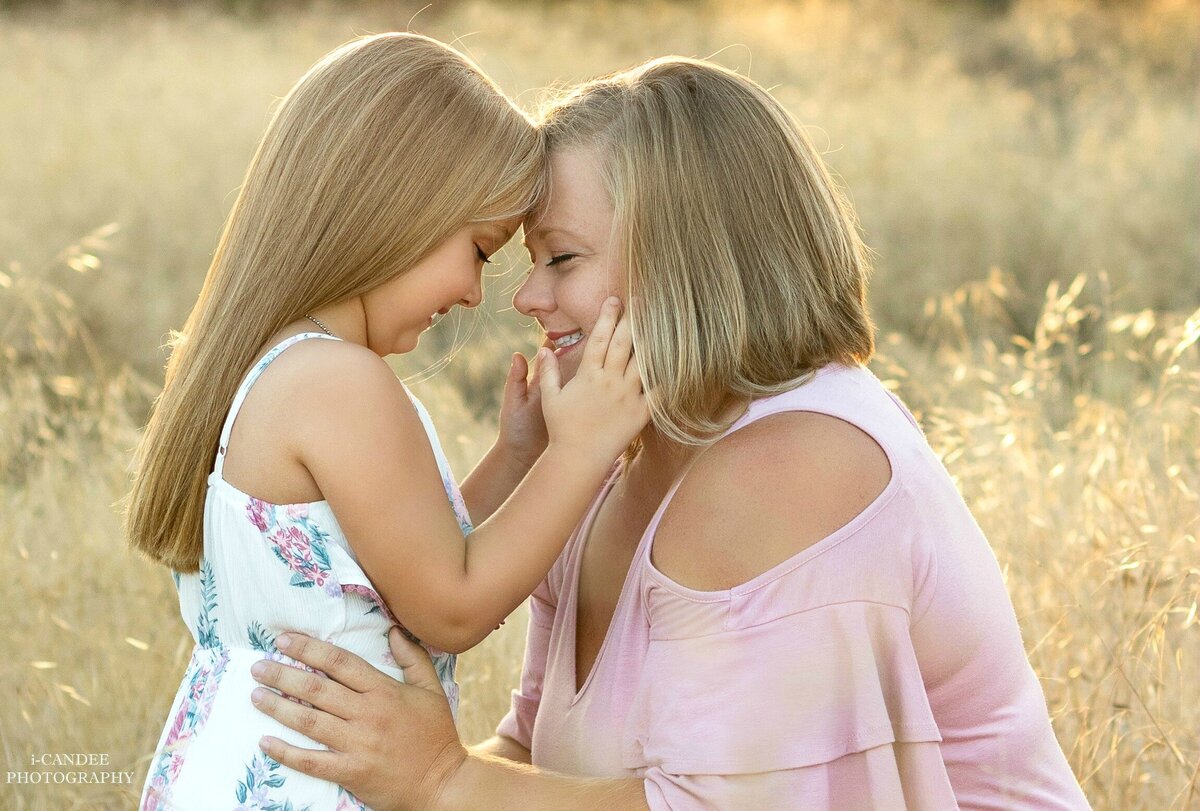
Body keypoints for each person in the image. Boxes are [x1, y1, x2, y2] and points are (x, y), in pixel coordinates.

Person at [246, 57, 1093, 810]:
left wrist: (437, 780)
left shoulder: (792, 465)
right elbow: (536, 752)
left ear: (688, 260)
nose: (526, 298)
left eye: (562, 259)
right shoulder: (614, 456)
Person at [125, 33, 649, 810]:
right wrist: (579, 452)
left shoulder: (288, 365)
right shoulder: (339, 381)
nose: (476, 292)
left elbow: (394, 566)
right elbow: (448, 604)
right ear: (398, 205)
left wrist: (517, 455)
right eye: (477, 249)